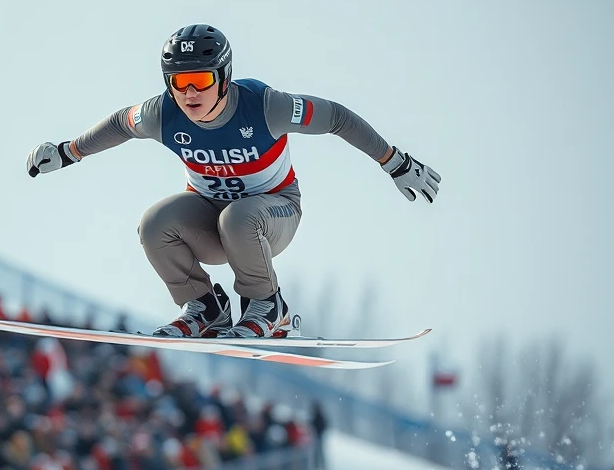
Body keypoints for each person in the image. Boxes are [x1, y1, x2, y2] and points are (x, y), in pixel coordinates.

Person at [26, 24, 441, 339]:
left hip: (273, 213)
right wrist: (68, 151)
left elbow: (336, 117)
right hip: (211, 218)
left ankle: (267, 305)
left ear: (224, 77)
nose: (189, 93)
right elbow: (121, 123)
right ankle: (205, 308)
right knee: (154, 224)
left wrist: (395, 162)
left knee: (239, 218)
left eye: (201, 80)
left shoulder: (265, 107)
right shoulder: (162, 114)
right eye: (178, 83)